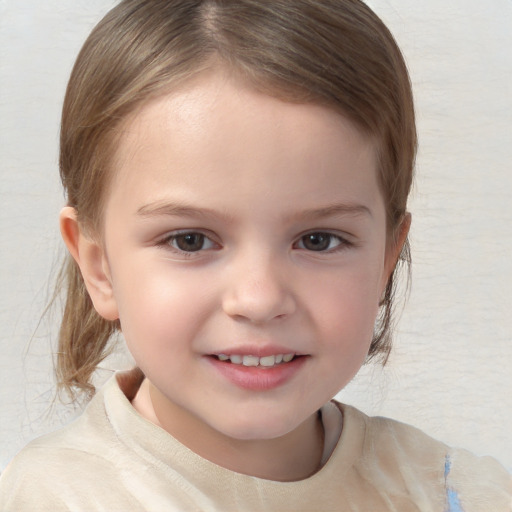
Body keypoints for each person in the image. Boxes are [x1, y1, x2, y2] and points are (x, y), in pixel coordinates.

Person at [0, 0, 510, 510]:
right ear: (99, 267)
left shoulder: (456, 493)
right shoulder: (50, 498)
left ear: (386, 261)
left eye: (318, 240)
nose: (259, 299)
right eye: (190, 240)